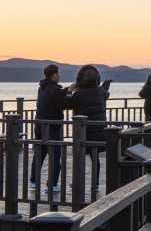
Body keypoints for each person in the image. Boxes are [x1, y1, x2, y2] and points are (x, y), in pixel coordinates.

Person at [67, 64, 111, 192]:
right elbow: (105, 94)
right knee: (95, 158)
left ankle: (77, 183)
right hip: (99, 131)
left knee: (79, 158)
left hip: (82, 131)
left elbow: (69, 104)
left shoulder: (78, 94)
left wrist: (69, 91)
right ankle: (95, 184)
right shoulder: (102, 92)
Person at [32, 64, 69, 193]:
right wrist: (70, 96)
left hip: (39, 125)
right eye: (58, 73)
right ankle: (52, 184)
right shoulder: (54, 89)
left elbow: (53, 96)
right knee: (54, 156)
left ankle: (33, 181)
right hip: (52, 127)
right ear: (54, 75)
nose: (59, 75)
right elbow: (63, 104)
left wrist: (67, 90)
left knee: (39, 154)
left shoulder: (42, 88)